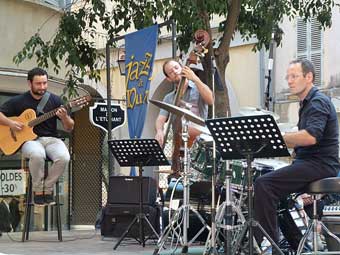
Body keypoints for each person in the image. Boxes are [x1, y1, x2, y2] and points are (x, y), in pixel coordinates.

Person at [254, 59, 340, 254]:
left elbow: (310, 137)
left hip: (320, 165)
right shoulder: (307, 102)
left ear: (308, 77)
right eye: (288, 77)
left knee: (263, 184)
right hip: (312, 163)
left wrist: (277, 137)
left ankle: (271, 248)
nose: (289, 81)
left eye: (294, 76)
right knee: (278, 194)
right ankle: (299, 248)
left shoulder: (317, 101)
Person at [0, 67, 74, 205]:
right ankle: (38, 190)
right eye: (38, 84)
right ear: (29, 83)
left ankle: (48, 187)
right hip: (30, 141)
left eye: (45, 83)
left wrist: (64, 117)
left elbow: (69, 127)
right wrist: (10, 123)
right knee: (37, 154)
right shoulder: (18, 101)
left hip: (52, 139)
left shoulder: (55, 100)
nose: (42, 87)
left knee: (64, 157)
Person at [155, 60, 214, 172]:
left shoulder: (198, 89)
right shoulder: (169, 97)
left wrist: (195, 79)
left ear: (182, 67)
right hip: (179, 146)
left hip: (200, 145)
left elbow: (210, 100)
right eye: (171, 72)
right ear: (169, 79)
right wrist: (159, 131)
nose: (175, 72)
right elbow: (160, 119)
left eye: (176, 67)